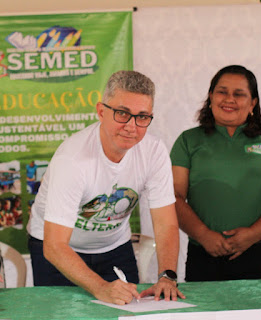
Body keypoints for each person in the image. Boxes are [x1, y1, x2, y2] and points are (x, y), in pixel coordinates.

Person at [27, 70, 185, 305]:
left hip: (114, 246)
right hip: (58, 249)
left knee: (128, 310)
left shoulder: (154, 152)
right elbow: (54, 246)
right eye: (122, 113)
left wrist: (167, 276)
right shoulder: (72, 159)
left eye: (142, 117)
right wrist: (100, 287)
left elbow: (166, 222)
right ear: (101, 112)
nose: (131, 126)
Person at [170, 65, 261, 281]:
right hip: (204, 254)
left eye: (239, 94)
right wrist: (204, 235)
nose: (229, 99)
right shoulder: (188, 140)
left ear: (253, 103)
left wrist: (252, 235)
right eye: (222, 92)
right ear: (210, 97)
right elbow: (173, 196)